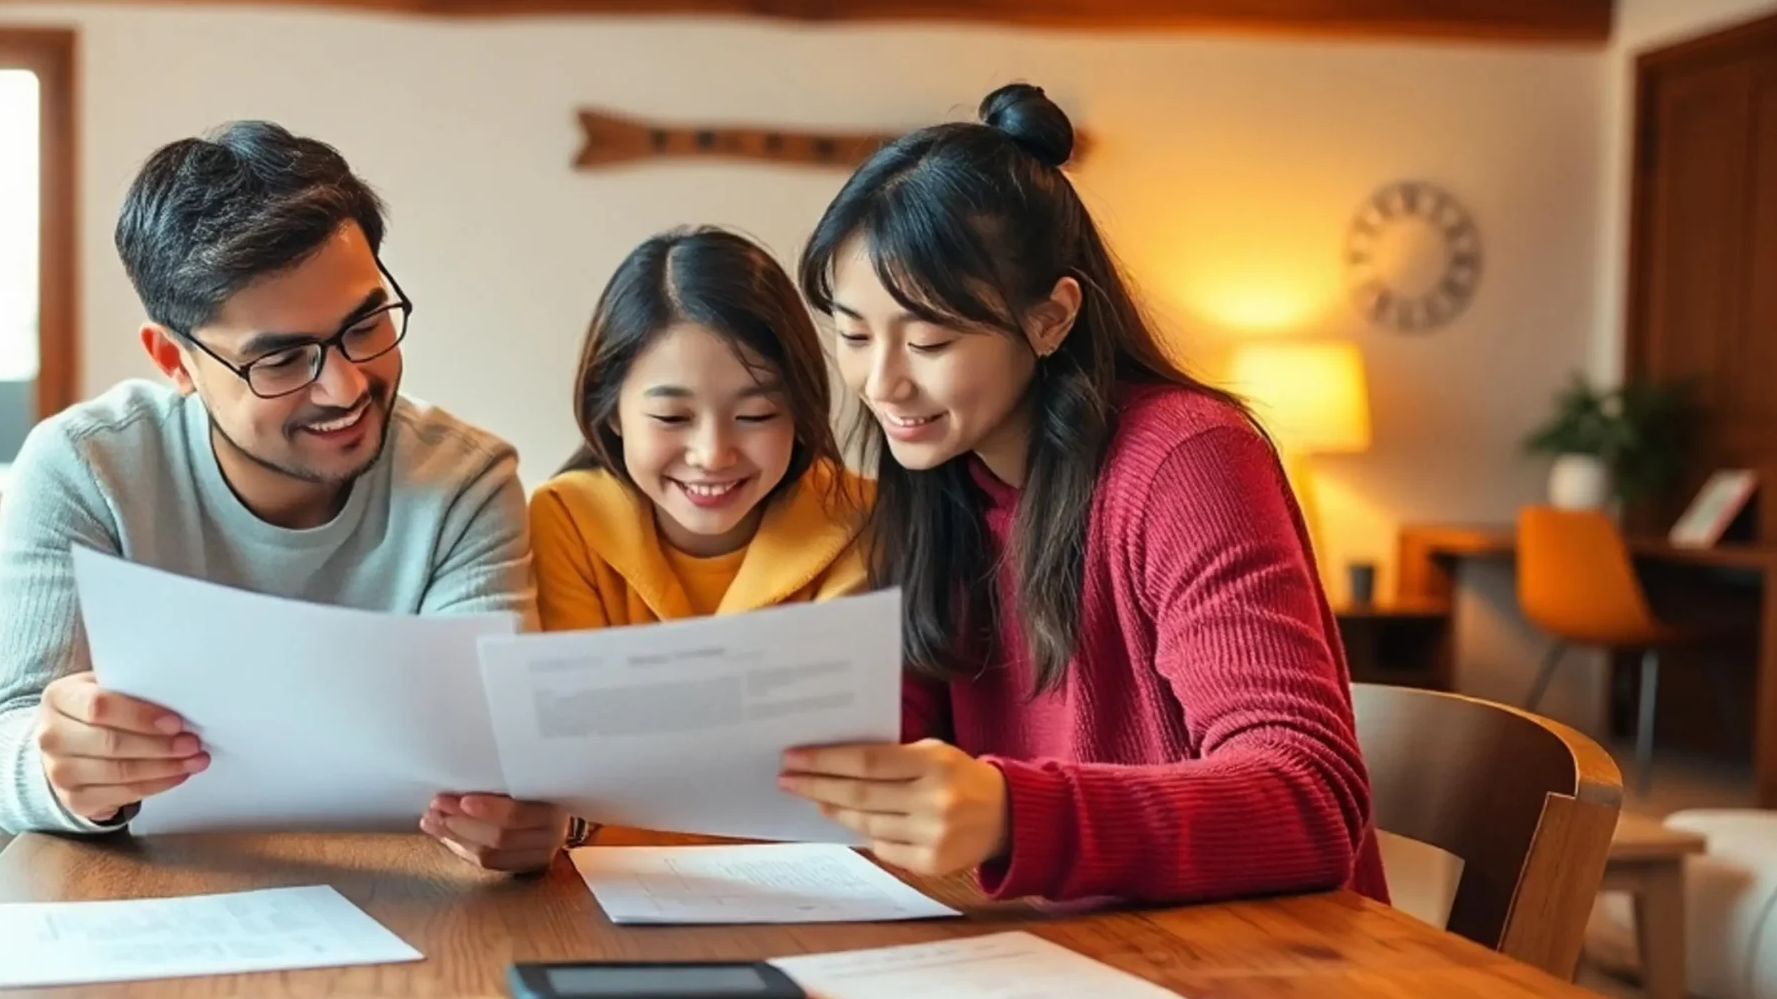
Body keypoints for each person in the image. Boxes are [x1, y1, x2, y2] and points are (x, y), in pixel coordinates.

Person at [0, 122, 563, 970]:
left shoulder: (464, 481)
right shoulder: (86, 464)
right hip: (130, 859)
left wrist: (526, 814)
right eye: (281, 360)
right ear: (174, 358)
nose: (346, 385)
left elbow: (493, 753)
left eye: (365, 325)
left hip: (399, 862)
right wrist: (60, 764)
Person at [774, 83, 1387, 908]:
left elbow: (1308, 798)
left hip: (1258, 978)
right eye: (853, 334)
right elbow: (882, 746)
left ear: (1051, 318)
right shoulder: (943, 480)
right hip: (1067, 964)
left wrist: (1014, 815)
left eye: (929, 339)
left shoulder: (1187, 462)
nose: (881, 382)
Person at [531, 226, 867, 633]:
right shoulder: (568, 519)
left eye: (755, 414)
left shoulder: (859, 517)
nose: (712, 454)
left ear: (800, 409)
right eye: (672, 417)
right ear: (612, 412)